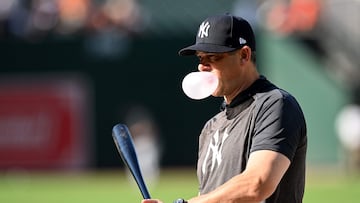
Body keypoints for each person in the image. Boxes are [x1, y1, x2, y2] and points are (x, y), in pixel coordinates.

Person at [142, 13, 307, 203]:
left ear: (244, 55)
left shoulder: (275, 105)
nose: (203, 67)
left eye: (212, 57)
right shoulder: (211, 128)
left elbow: (257, 184)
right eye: (200, 58)